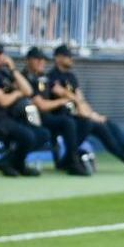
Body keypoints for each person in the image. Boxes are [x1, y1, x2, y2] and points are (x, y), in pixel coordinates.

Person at [46, 44, 124, 173]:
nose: (71, 59)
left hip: (78, 117)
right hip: (64, 119)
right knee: (96, 126)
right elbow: (60, 92)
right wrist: (80, 104)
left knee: (108, 124)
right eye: (67, 57)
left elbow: (81, 100)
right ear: (58, 58)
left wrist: (93, 114)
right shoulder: (52, 76)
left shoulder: (71, 77)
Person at [0, 42, 47, 177]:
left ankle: (13, 162)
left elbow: (28, 91)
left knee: (42, 133)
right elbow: (3, 101)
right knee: (27, 136)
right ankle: (9, 163)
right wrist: (17, 94)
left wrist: (13, 69)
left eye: (0, 54)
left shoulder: (3, 72)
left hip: (5, 118)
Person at [20, 47, 91, 175]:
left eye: (43, 60)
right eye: (37, 59)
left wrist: (71, 98)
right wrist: (61, 101)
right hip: (33, 118)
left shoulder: (44, 78)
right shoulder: (25, 79)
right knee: (67, 122)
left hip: (49, 115)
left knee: (83, 122)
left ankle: (69, 158)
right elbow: (41, 105)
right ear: (28, 60)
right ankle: (73, 161)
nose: (41, 62)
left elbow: (59, 90)